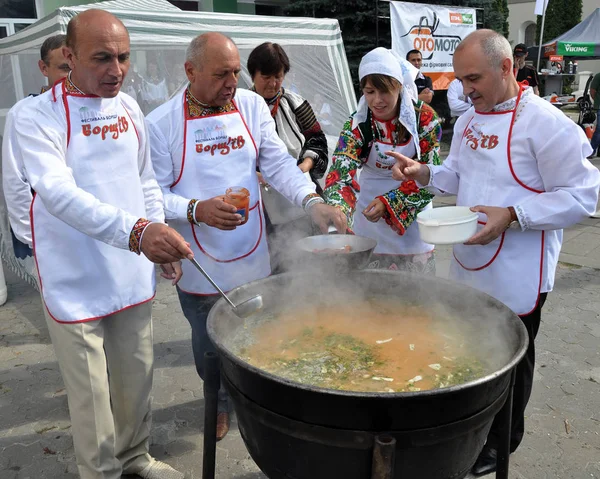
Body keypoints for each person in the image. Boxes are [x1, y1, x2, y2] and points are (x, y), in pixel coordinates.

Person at [388, 30, 600, 476]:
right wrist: (423, 172)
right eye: (461, 80)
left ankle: (502, 443)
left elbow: (583, 195)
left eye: (473, 78)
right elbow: (457, 175)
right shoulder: (468, 121)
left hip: (517, 270)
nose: (465, 91)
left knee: (511, 361)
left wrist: (514, 214)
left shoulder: (547, 124)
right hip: (469, 262)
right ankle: (469, 431)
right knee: (472, 351)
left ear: (506, 68)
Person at [2, 10, 194, 479]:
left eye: (124, 57)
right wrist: (138, 233)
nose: (116, 70)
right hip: (75, 272)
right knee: (89, 393)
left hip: (130, 267)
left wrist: (156, 234)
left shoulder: (129, 109)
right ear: (68, 56)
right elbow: (58, 193)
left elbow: (145, 177)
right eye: (102, 58)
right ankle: (101, 472)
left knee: (136, 375)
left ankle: (135, 457)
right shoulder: (35, 115)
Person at [146, 32, 346, 441]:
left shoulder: (252, 107)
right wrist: (195, 210)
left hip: (252, 253)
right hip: (201, 261)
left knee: (259, 332)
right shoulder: (161, 123)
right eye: (221, 74)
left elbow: (277, 166)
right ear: (190, 71)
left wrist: (312, 201)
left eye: (236, 72)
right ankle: (216, 401)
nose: (231, 83)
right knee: (208, 344)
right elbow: (153, 194)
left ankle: (253, 399)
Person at [323, 47, 442, 273]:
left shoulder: (424, 119)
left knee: (418, 297)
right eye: (369, 92)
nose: (377, 101)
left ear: (398, 86)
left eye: (384, 91)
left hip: (415, 218)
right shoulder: (357, 124)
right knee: (373, 294)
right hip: (369, 217)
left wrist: (390, 203)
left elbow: (434, 174)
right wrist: (338, 210)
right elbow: (341, 173)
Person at [247, 41, 329, 271]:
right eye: (266, 77)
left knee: (305, 256)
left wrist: (307, 163)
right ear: (253, 74)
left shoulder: (296, 104)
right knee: (271, 259)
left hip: (298, 187)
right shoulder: (241, 107)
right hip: (260, 199)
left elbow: (317, 139)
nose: (273, 84)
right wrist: (254, 174)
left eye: (279, 77)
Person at [3, 34, 70, 265]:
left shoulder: (92, 109)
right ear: (44, 67)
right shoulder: (24, 112)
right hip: (48, 228)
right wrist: (32, 236)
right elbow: (15, 178)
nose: (70, 76)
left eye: (75, 67)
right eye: (63, 68)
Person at [590, 71, 600, 157]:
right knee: (599, 129)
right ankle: (591, 150)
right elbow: (592, 91)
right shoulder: (598, 76)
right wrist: (597, 101)